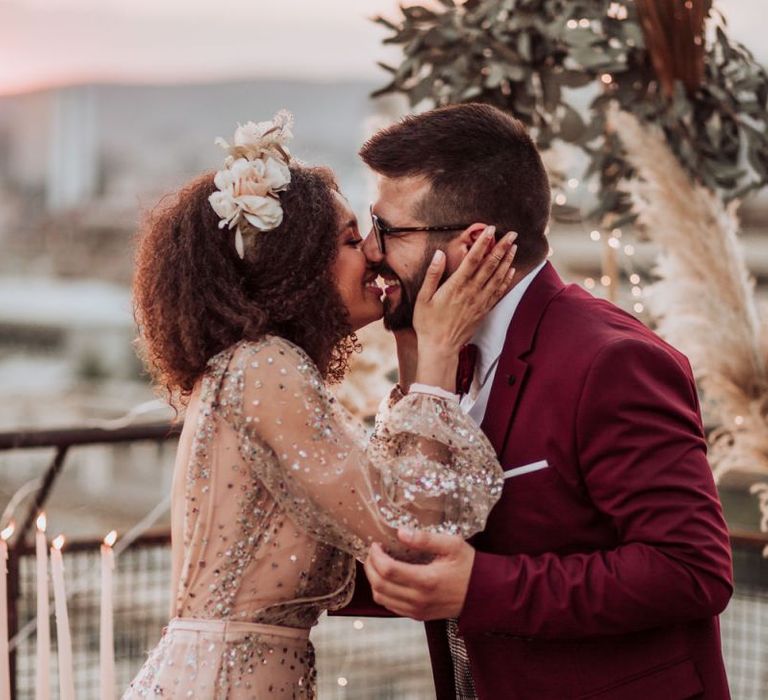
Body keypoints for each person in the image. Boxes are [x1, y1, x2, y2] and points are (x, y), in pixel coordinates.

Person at [339, 103, 734, 699]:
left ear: (472, 244)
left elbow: (691, 570)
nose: (371, 250)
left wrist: (481, 589)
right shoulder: (442, 354)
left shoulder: (610, 362)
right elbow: (431, 547)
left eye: (387, 230)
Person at [124, 111, 518, 699]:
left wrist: (412, 349)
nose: (373, 257)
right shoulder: (263, 367)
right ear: (297, 265)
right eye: (349, 240)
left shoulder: (262, 367)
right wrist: (437, 352)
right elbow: (409, 532)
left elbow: (398, 497)